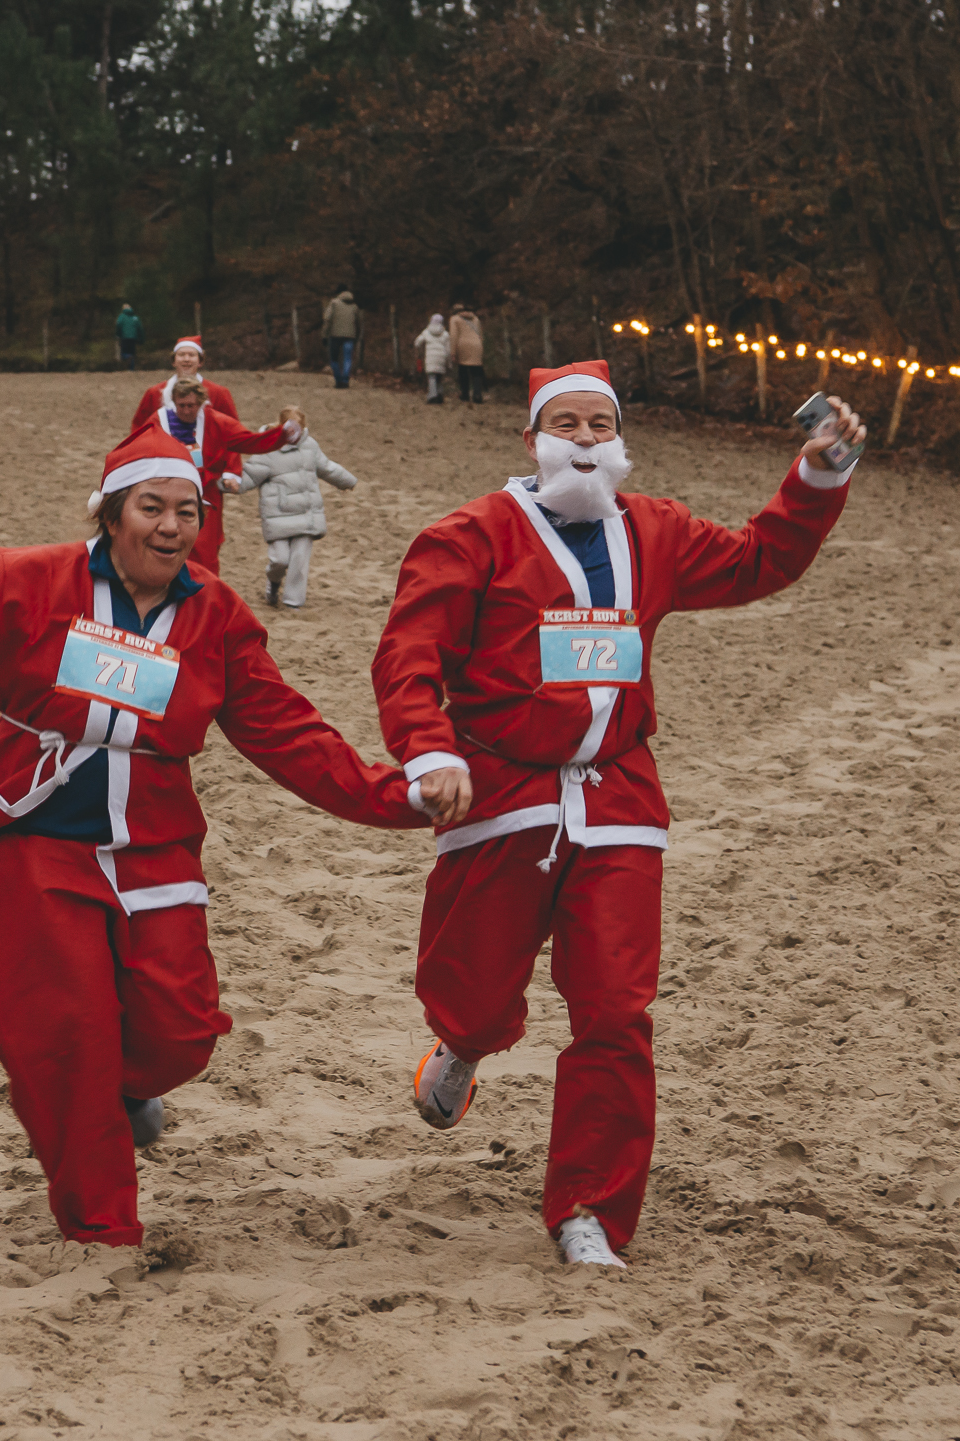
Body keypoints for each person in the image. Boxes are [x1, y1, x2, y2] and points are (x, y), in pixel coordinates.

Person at [0, 425, 462, 1254]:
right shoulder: (30, 577)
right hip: (28, 831)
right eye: (150, 508)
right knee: (65, 1035)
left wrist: (396, 795)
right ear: (111, 514)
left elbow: (285, 731)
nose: (170, 526)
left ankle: (123, 1091)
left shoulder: (214, 612)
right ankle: (103, 1226)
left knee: (180, 1030)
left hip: (153, 840)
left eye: (185, 511)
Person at [371, 360, 865, 1272]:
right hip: (503, 795)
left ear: (620, 437)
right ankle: (467, 1041)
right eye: (567, 425)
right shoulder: (466, 536)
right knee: (473, 984)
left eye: (601, 425)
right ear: (533, 440)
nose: (587, 442)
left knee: (615, 1012)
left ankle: (588, 1208)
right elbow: (407, 651)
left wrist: (817, 473)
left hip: (617, 798)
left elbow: (760, 559)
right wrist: (428, 747)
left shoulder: (658, 530)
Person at [130, 337, 301, 574]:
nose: (186, 411)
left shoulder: (217, 404)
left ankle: (202, 595)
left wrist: (279, 437)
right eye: (181, 406)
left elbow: (242, 439)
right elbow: (136, 440)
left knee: (204, 547)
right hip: (163, 485)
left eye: (192, 355)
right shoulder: (156, 403)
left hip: (206, 486)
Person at [224, 422, 357, 609]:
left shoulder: (309, 446)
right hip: (278, 517)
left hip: (306, 514)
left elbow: (327, 467)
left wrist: (348, 481)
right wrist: (229, 483)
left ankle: (293, 602)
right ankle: (273, 581)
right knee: (280, 560)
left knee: (300, 559)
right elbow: (250, 476)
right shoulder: (267, 451)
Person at [321, 287, 361, 388]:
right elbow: (358, 323)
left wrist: (325, 335)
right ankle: (345, 379)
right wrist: (357, 336)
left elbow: (327, 319)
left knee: (334, 359)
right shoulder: (354, 306)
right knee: (347, 358)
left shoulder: (334, 303)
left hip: (335, 336)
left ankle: (338, 380)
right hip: (350, 336)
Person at [449, 305, 486, 404]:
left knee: (463, 370)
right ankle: (477, 394)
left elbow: (453, 336)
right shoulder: (475, 318)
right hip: (477, 345)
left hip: (463, 345)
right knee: (477, 371)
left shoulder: (454, 319)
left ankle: (465, 394)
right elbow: (480, 334)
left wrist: (453, 352)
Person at [415, 313, 452, 406]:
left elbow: (417, 342)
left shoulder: (426, 332)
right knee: (439, 377)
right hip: (441, 358)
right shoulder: (445, 334)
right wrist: (449, 362)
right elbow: (448, 350)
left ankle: (432, 396)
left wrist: (419, 349)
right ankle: (439, 395)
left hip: (431, 358)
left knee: (432, 377)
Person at [114, 302, 144, 369]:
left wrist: (118, 335)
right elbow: (140, 328)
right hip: (133, 338)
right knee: (132, 353)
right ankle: (131, 369)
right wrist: (141, 339)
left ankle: (127, 358)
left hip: (124, 337)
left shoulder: (121, 317)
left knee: (124, 353)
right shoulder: (135, 318)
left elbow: (118, 325)